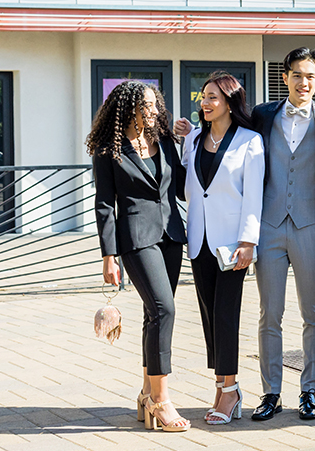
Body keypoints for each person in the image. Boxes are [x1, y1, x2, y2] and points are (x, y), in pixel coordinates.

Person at [249, 48, 315, 421]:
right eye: (296, 74)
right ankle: (271, 392)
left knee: (314, 313)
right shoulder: (263, 114)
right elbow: (226, 132)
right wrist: (192, 130)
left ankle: (309, 391)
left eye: (310, 76)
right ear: (285, 77)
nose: (303, 82)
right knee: (269, 313)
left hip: (311, 225)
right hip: (269, 226)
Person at [89, 80, 190, 433]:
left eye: (155, 105)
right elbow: (104, 204)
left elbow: (181, 185)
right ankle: (161, 399)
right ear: (128, 107)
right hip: (135, 238)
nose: (153, 111)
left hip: (171, 234)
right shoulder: (108, 149)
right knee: (165, 309)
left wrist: (189, 141)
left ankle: (147, 392)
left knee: (154, 314)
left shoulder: (163, 140)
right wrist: (109, 256)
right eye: (145, 105)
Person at [181, 72, 264, 426]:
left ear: (230, 102)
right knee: (209, 317)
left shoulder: (251, 141)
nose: (206, 102)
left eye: (213, 97)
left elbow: (254, 196)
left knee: (226, 314)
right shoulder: (195, 140)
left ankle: (229, 391)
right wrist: (179, 140)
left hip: (233, 243)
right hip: (199, 239)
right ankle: (221, 384)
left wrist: (249, 241)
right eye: (204, 96)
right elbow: (187, 185)